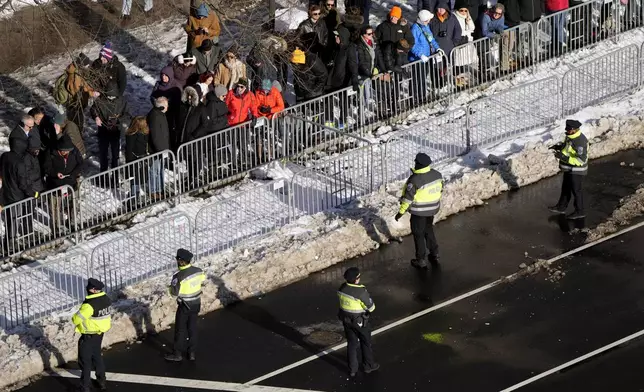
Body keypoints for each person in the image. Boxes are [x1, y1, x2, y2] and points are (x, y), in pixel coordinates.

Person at [395, 152, 443, 268]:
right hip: (432, 210)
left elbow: (407, 199)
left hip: (419, 213)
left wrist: (400, 213)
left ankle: (420, 259)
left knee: (419, 235)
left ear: (418, 164)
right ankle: (434, 253)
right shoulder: (437, 174)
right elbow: (441, 189)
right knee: (428, 230)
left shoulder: (415, 180)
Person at [337, 267, 379, 378]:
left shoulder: (342, 288)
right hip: (360, 322)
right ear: (356, 279)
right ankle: (368, 366)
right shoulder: (360, 291)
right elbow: (371, 307)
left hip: (346, 320)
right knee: (365, 342)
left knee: (351, 344)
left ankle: (352, 369)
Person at [165, 248, 206, 362]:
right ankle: (191, 353)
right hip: (196, 303)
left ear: (180, 260)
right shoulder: (198, 271)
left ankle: (177, 354)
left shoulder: (178, 276)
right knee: (192, 328)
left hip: (184, 306)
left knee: (180, 329)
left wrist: (169, 288)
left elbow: (174, 293)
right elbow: (202, 279)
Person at [71, 278, 112, 392]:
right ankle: (101, 381)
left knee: (85, 361)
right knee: (97, 357)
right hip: (99, 333)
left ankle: (85, 387)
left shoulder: (89, 305)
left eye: (88, 288)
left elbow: (76, 319)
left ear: (93, 290)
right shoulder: (106, 299)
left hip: (88, 336)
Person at [548, 119, 588, 219]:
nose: (567, 131)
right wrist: (559, 147)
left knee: (576, 191)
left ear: (574, 130)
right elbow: (568, 148)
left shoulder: (580, 141)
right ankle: (561, 207)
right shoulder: (570, 136)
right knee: (566, 188)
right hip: (569, 168)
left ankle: (580, 211)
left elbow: (581, 160)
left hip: (577, 170)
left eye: (569, 130)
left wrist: (563, 157)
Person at [91, 83, 127, 173]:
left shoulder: (122, 101)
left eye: (112, 97)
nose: (111, 99)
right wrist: (96, 117)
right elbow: (93, 109)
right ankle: (103, 176)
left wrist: (118, 120)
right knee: (103, 154)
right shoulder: (100, 100)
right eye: (109, 97)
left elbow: (127, 115)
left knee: (115, 155)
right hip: (103, 129)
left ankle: (115, 176)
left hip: (115, 129)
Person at [147, 97, 170, 199]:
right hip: (156, 150)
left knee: (159, 169)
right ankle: (153, 190)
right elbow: (155, 136)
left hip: (161, 148)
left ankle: (159, 189)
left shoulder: (160, 114)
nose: (168, 107)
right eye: (166, 105)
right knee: (154, 170)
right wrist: (161, 150)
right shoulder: (155, 116)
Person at [125, 117, 150, 204]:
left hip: (136, 160)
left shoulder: (132, 135)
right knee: (137, 180)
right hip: (138, 160)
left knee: (135, 180)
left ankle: (133, 198)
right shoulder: (144, 134)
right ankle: (133, 198)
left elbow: (128, 150)